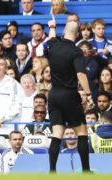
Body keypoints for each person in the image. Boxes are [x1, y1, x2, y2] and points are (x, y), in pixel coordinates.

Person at [47, 18, 93, 172]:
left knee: (57, 134)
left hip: (53, 95)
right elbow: (81, 74)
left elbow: (51, 37)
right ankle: (86, 171)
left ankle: (52, 171)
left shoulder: (53, 45)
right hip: (69, 95)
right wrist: (88, 93)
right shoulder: (75, 51)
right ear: (78, 34)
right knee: (81, 132)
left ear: (64, 31)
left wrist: (52, 26)